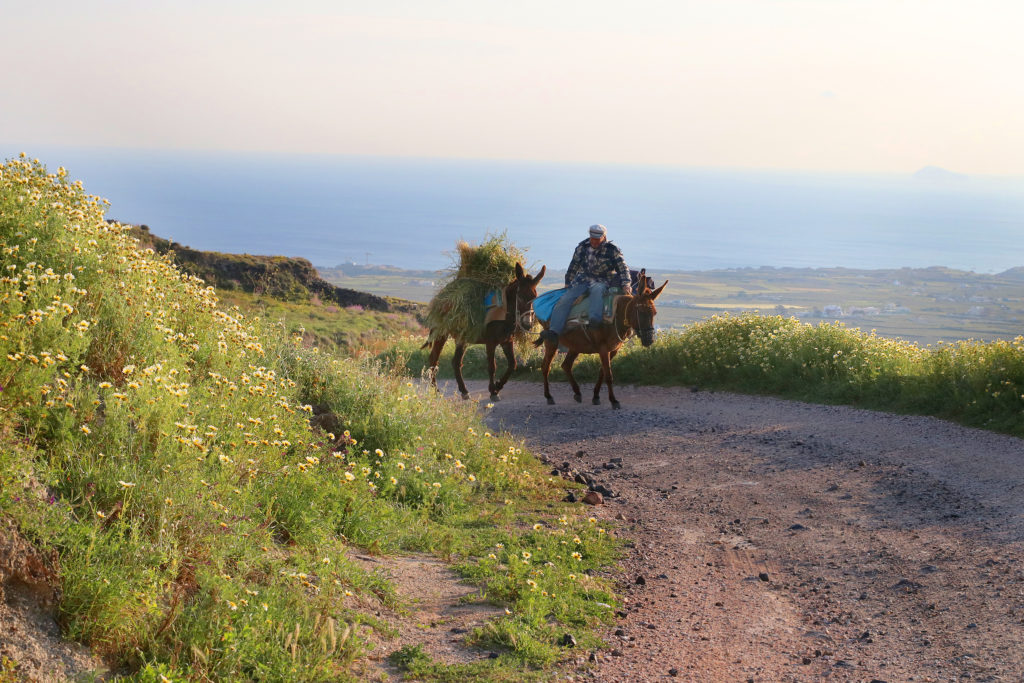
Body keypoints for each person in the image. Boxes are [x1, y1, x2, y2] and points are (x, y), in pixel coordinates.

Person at [540, 224, 631, 343]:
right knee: (565, 299)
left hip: (602, 280)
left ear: (604, 237)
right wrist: (568, 282)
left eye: (597, 239)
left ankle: (594, 322)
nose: (594, 241)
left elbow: (623, 268)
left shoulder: (613, 250)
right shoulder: (582, 247)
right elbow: (574, 265)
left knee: (597, 291)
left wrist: (626, 284)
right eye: (592, 238)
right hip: (582, 280)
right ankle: (554, 331)